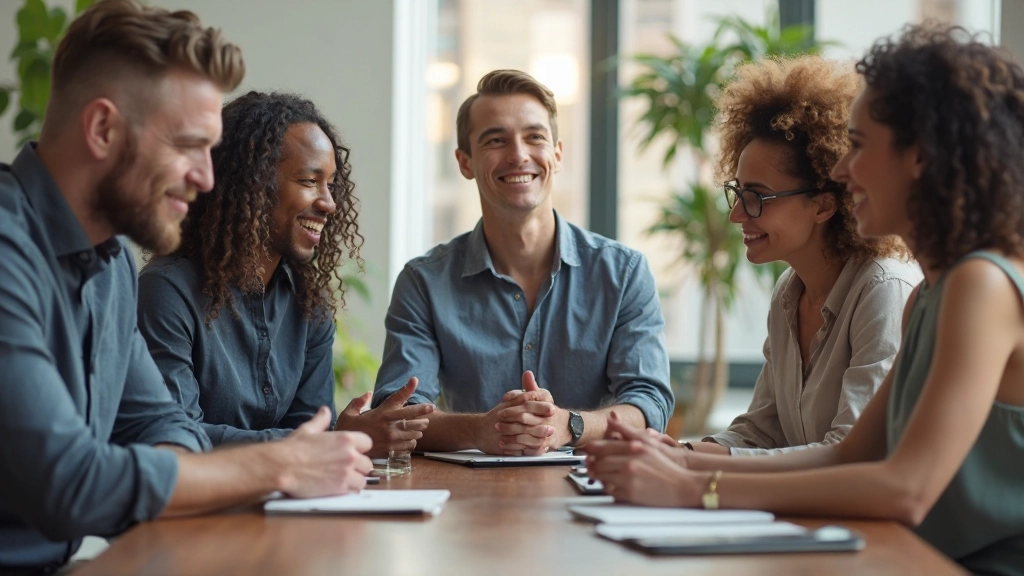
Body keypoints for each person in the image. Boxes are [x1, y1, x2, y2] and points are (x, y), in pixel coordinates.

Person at [586, 26, 1024, 574]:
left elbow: (906, 488)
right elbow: (848, 454)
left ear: (921, 156)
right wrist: (679, 465)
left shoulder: (977, 286)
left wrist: (698, 489)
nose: (841, 171)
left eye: (859, 145)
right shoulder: (930, 295)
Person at [0, 2, 370, 572]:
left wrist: (189, 466)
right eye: (188, 145)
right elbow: (67, 483)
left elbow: (160, 424)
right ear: (103, 128)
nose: (205, 177)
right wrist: (279, 465)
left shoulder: (111, 265)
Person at [371, 70, 673, 455]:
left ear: (557, 154)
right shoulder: (424, 282)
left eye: (535, 137)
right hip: (467, 501)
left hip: (593, 493)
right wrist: (480, 431)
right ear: (465, 162)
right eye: (496, 140)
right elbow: (397, 414)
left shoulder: (624, 273)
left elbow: (650, 404)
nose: (518, 155)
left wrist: (568, 425)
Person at [137, 91, 432, 455]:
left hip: (288, 501)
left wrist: (328, 440)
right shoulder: (166, 292)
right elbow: (176, 437)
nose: (329, 203)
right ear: (252, 186)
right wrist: (336, 440)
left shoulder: (309, 307)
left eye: (331, 184)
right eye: (310, 181)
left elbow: (310, 430)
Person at [689, 56, 920, 456]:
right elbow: (760, 432)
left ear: (823, 206)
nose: (736, 214)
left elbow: (849, 452)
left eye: (757, 197)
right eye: (737, 192)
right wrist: (675, 452)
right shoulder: (788, 294)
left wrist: (694, 475)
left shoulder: (884, 290)